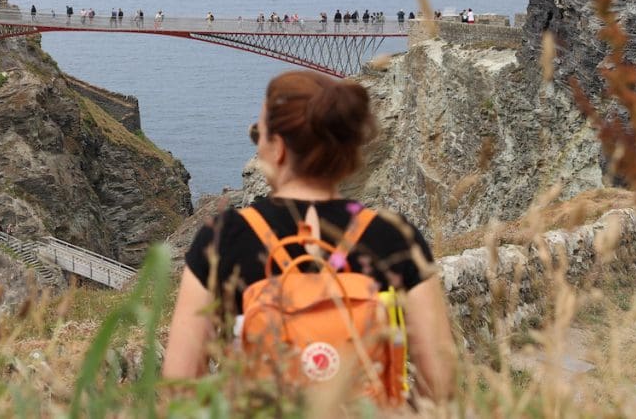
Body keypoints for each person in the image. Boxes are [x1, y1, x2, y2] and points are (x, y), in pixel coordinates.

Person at [163, 71, 456, 403]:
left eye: (259, 133)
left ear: (279, 148)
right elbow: (439, 383)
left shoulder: (224, 237)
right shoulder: (395, 237)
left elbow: (179, 387)